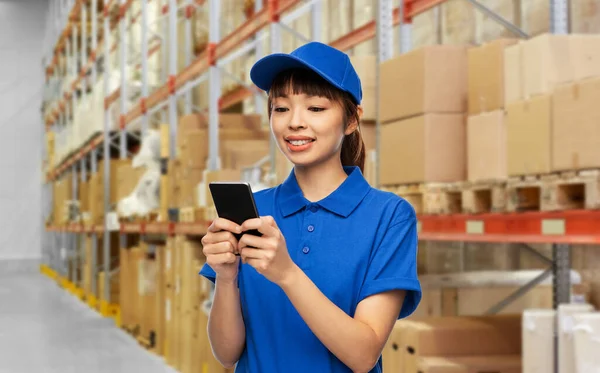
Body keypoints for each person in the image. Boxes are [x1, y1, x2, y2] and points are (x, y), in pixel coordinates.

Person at [198, 41, 422, 373]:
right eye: (281, 108)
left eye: (315, 109)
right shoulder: (256, 212)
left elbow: (363, 355)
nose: (294, 123)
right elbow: (227, 353)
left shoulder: (388, 216)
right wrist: (227, 278)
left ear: (351, 120)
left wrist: (286, 273)